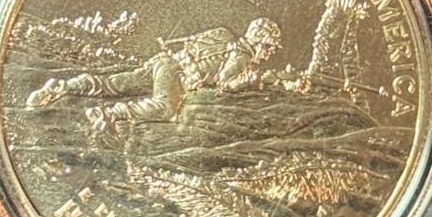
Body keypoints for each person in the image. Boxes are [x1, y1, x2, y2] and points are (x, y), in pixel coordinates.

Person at [26, 17, 283, 131]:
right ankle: (107, 114)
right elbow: (225, 82)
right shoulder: (242, 57)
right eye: (270, 47)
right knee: (165, 108)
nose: (270, 52)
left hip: (164, 61)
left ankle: (62, 87)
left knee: (114, 84)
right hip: (177, 74)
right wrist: (255, 80)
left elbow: (192, 41)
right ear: (260, 42)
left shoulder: (223, 33)